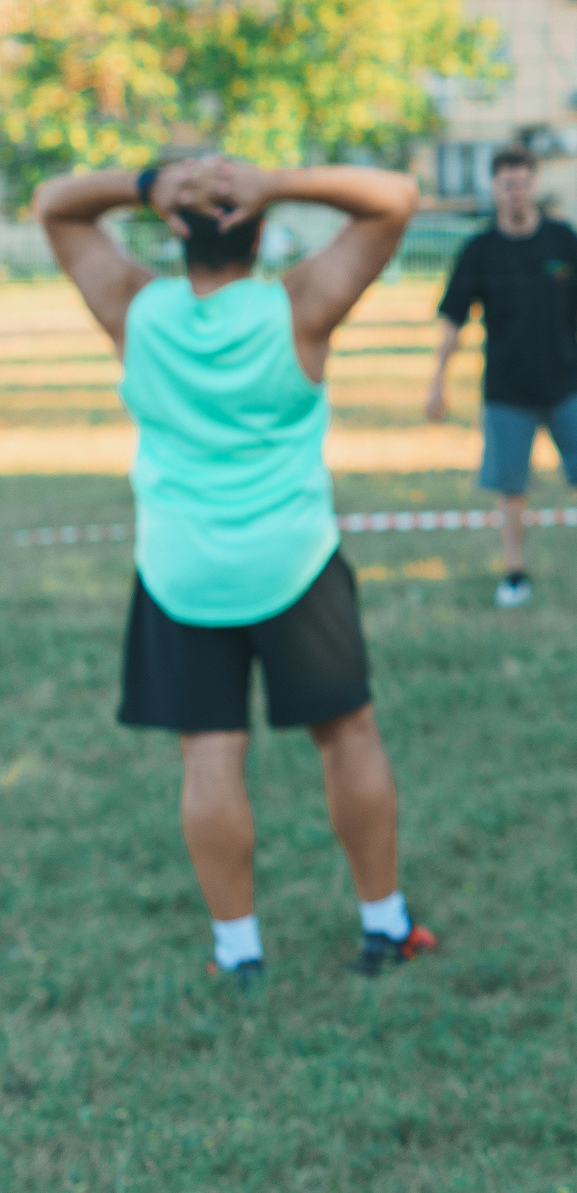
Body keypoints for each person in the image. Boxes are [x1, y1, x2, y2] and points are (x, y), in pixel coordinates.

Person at [35, 154, 440, 986]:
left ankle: (239, 950)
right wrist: (281, 179)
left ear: (179, 231)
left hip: (182, 573)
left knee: (208, 756)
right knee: (348, 736)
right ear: (259, 226)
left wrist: (150, 185)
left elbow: (57, 207)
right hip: (293, 562)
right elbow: (394, 201)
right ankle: (384, 924)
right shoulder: (299, 308)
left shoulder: (134, 310)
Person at [424, 146, 577, 608]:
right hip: (507, 390)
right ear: (495, 189)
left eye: (523, 182)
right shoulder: (479, 251)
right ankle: (515, 573)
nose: (516, 192)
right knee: (510, 486)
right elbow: (453, 321)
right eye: (507, 184)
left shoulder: (563, 241)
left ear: (535, 185)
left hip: (568, 383)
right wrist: (438, 380)